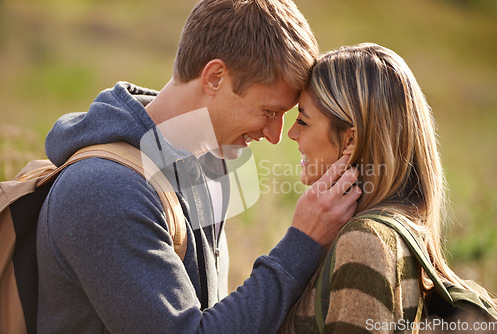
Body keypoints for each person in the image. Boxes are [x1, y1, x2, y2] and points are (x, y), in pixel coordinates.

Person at [36, 0, 361, 333]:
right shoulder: (105, 191)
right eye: (269, 111)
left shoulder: (199, 167)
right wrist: (301, 244)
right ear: (215, 77)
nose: (276, 135)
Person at [280, 43, 497, 333]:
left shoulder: (363, 241)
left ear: (349, 141)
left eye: (303, 121)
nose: (292, 133)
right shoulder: (394, 231)